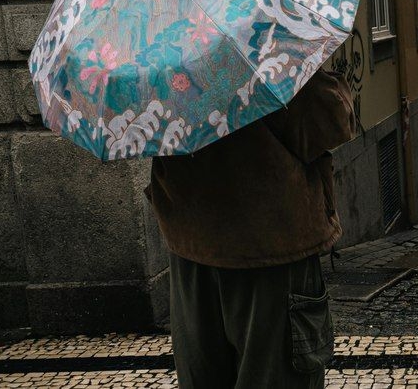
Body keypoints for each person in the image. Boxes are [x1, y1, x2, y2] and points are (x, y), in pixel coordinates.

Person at [147, 69, 355, 388]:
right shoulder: (264, 43)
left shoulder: (157, 59)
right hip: (271, 249)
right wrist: (333, 82)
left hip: (191, 248)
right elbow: (328, 121)